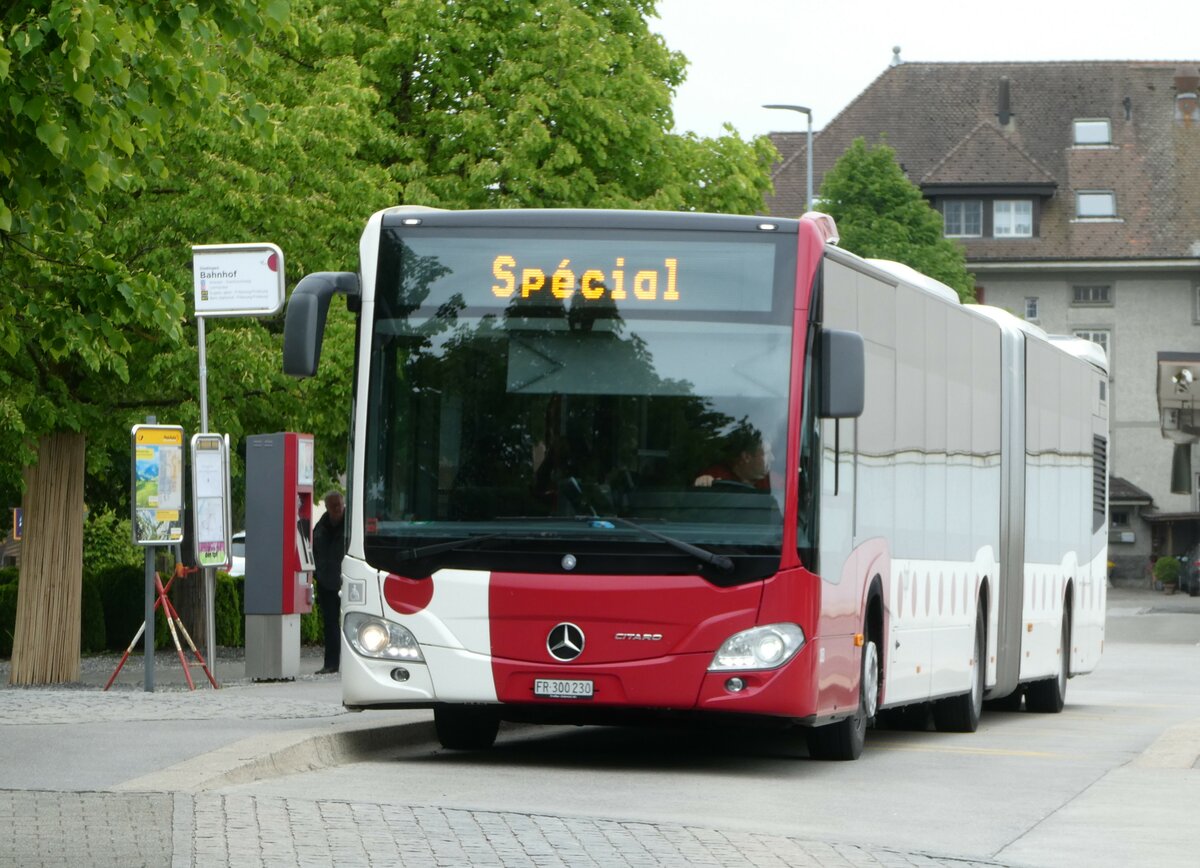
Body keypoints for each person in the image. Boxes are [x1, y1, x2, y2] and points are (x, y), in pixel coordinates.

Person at [312, 490, 347, 674]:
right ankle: (331, 664)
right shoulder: (320, 528)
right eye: (333, 506)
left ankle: (352, 665)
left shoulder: (351, 525)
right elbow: (314, 552)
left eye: (339, 505)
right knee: (330, 624)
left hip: (348, 580)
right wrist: (317, 574)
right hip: (326, 582)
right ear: (326, 507)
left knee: (351, 624)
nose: (337, 509)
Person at [694, 425, 772, 491]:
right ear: (746, 457)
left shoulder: (769, 479)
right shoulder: (715, 474)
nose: (772, 458)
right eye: (767, 454)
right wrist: (704, 481)